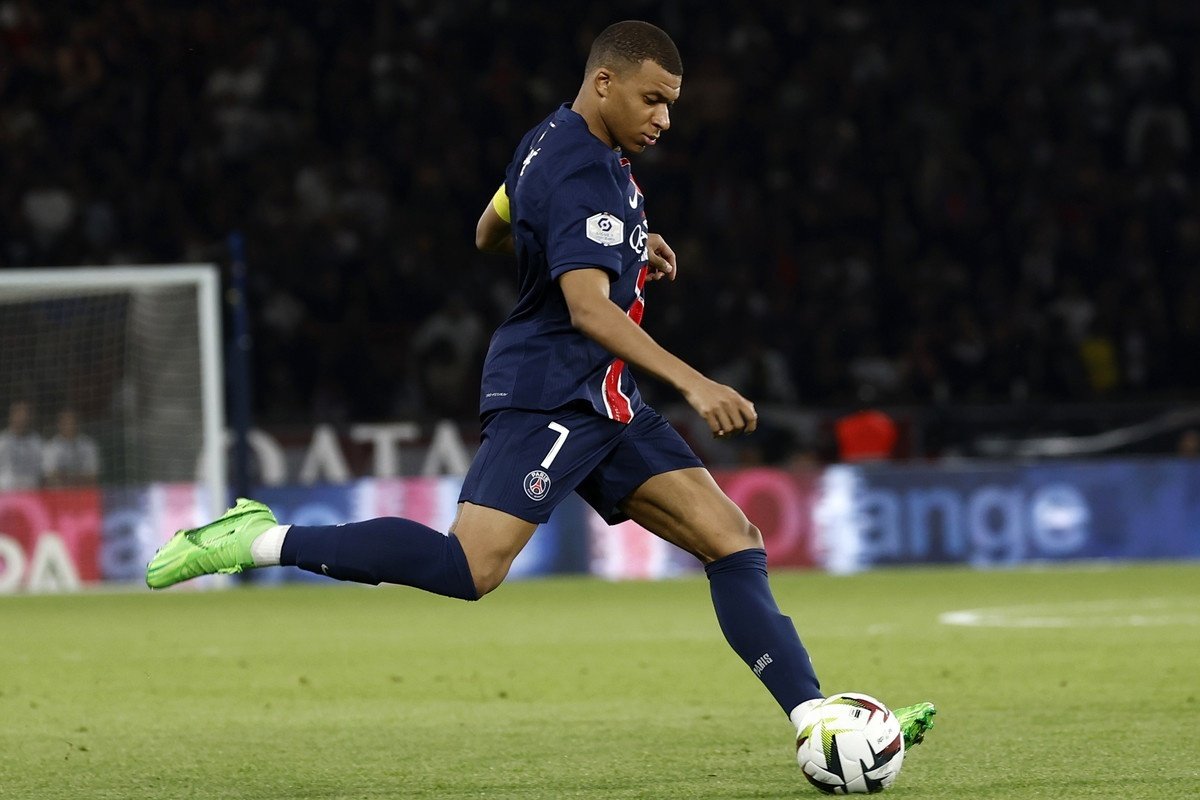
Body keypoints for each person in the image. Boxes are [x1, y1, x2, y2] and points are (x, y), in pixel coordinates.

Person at [146, 20, 935, 758]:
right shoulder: (583, 168)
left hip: (608, 403)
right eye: (652, 99)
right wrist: (694, 381)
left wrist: (629, 242)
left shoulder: (550, 143)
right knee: (469, 569)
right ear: (604, 83)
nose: (665, 118)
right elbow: (588, 308)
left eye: (671, 104)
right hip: (553, 393)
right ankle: (255, 538)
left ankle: (817, 723)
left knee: (734, 543)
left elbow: (488, 227)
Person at [42, 408, 101, 487]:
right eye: (65, 422)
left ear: (77, 423)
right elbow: (50, 476)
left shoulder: (88, 445)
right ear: (59, 424)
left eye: (72, 422)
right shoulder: (51, 446)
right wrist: (78, 477)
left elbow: (93, 475)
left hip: (84, 492)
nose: (69, 426)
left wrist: (65, 476)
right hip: (60, 494)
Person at [0, 399, 43, 491]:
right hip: (7, 493)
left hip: (31, 493)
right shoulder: (2, 441)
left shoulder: (36, 441)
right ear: (11, 415)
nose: (22, 417)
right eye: (18, 413)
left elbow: (42, 471)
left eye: (25, 413)